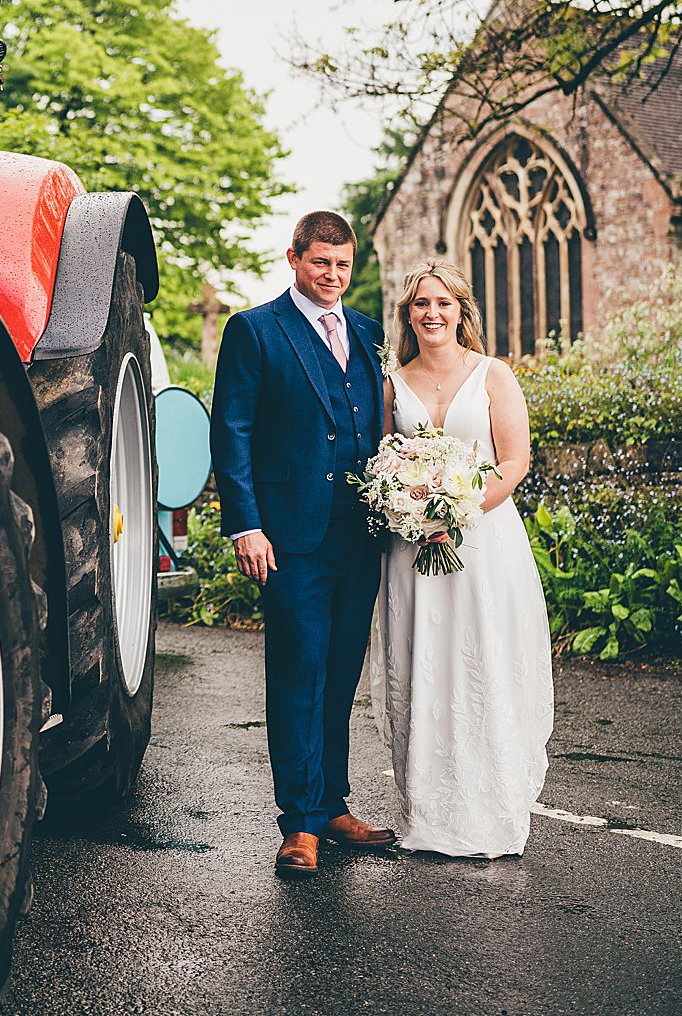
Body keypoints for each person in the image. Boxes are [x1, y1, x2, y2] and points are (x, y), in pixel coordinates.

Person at [210, 210, 398, 876]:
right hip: (288, 536)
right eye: (321, 262)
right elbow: (231, 429)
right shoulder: (255, 330)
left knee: (341, 672)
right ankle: (298, 825)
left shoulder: (369, 332)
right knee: (298, 674)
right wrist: (245, 523)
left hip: (361, 535)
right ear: (294, 257)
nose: (333, 276)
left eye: (343, 265)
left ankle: (332, 804)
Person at [374, 261, 554, 857]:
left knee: (484, 666)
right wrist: (411, 511)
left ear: (461, 312)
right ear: (408, 315)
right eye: (421, 303)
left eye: (443, 303)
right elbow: (384, 463)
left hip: (483, 545)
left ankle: (492, 811)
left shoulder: (493, 374)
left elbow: (515, 461)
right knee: (425, 667)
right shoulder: (393, 385)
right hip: (413, 551)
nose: (432, 313)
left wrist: (457, 512)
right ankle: (428, 814)